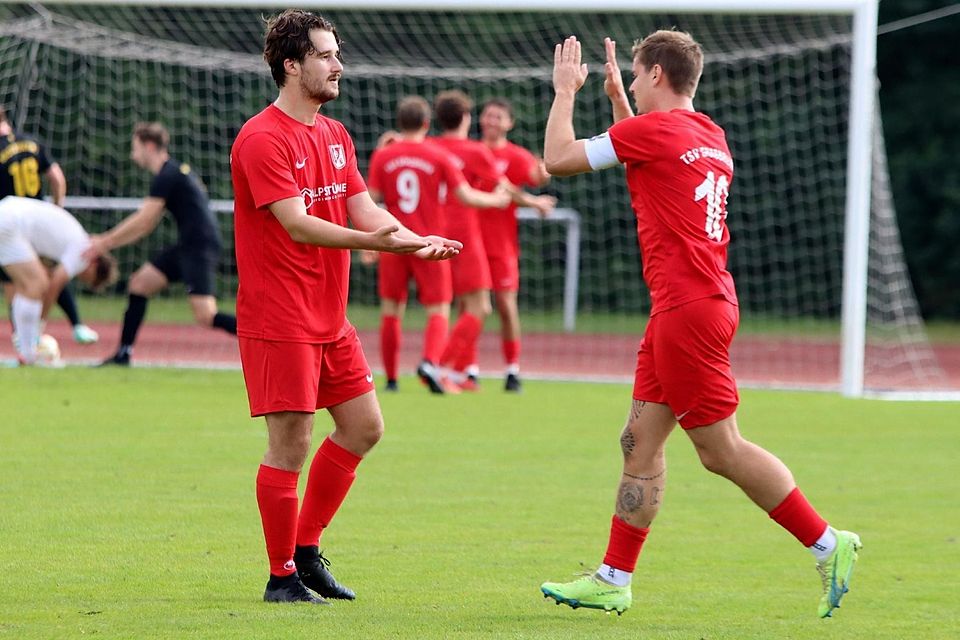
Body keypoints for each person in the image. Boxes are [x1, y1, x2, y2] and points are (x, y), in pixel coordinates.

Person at [537, 32, 861, 618]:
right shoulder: (706, 132)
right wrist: (616, 102)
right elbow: (648, 158)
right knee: (639, 442)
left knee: (720, 451)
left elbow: (556, 161)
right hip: (688, 306)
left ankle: (829, 543)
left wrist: (565, 93)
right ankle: (614, 577)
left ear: (657, 74)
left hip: (688, 310)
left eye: (635, 75)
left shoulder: (651, 132)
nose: (631, 82)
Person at [230, 10, 460, 604]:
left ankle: (306, 553)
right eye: (327, 55)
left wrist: (414, 240)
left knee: (364, 427)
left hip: (328, 317)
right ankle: (280, 577)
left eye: (337, 54)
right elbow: (298, 225)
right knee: (292, 446)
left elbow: (363, 209)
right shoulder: (261, 137)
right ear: (292, 65)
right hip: (280, 318)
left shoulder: (334, 134)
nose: (339, 65)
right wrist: (376, 245)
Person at [366, 96, 509, 393]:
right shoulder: (436, 156)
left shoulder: (384, 156)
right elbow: (465, 196)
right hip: (427, 244)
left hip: (393, 239)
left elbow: (370, 201)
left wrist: (369, 243)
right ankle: (430, 362)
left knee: (391, 309)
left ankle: (392, 379)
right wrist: (497, 200)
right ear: (426, 124)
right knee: (439, 309)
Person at [86, 122, 237, 366]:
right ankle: (123, 354)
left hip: (199, 248)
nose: (132, 155)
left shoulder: (168, 175)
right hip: (187, 246)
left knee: (206, 315)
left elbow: (144, 221)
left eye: (135, 148)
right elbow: (147, 223)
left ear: (149, 146)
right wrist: (109, 242)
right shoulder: (172, 172)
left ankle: (266, 340)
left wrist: (104, 242)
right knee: (139, 284)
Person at [0, 106, 99, 344]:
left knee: (17, 283)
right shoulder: (32, 143)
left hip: (9, 223)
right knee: (49, 275)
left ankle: (23, 337)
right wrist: (57, 209)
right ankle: (73, 325)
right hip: (37, 222)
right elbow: (57, 178)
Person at [477, 98, 556, 392]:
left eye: (498, 116)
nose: (491, 121)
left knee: (506, 307)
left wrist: (547, 165)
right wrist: (533, 202)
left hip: (502, 244)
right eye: (488, 115)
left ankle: (512, 369)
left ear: (509, 123)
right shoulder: (472, 153)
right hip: (470, 241)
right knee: (471, 307)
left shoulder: (517, 156)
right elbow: (504, 187)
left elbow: (539, 176)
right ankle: (467, 369)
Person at [0, 196, 117, 364]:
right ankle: (28, 348)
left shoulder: (76, 239)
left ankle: (26, 350)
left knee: (31, 284)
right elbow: (55, 284)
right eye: (90, 279)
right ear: (95, 264)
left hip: (8, 216)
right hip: (9, 222)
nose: (83, 279)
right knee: (36, 283)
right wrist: (39, 327)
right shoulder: (84, 253)